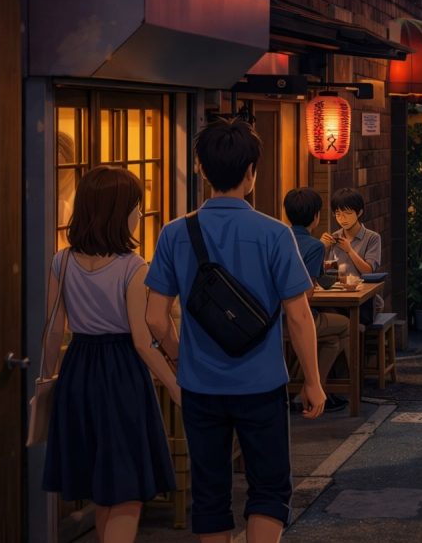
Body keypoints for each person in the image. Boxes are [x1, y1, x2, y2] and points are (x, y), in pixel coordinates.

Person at [145, 119, 324, 542]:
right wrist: (313, 381)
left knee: (210, 494)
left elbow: (155, 318)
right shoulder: (275, 234)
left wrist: (181, 356)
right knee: (268, 488)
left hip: (200, 386)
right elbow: (299, 316)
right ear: (251, 172)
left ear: (201, 170)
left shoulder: (174, 233)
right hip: (261, 383)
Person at [41, 166, 176, 543]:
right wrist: (175, 385)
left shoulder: (61, 261)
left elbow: (53, 330)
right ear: (119, 213)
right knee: (126, 485)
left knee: (103, 486)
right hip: (121, 373)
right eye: (136, 206)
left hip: (77, 370)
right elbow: (142, 341)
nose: (139, 213)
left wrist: (49, 379)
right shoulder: (132, 267)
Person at [284, 187, 350, 414]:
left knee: (331, 340)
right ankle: (316, 389)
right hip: (299, 317)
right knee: (346, 325)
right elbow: (308, 293)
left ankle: (304, 387)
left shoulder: (280, 237)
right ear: (316, 216)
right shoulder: (314, 246)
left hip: (274, 317)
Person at [321, 187, 384, 318]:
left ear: (359, 212)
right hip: (337, 297)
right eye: (338, 214)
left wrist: (349, 250)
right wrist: (321, 247)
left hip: (363, 298)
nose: (342, 218)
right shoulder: (334, 237)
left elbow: (368, 271)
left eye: (347, 213)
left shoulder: (372, 237)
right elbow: (325, 271)